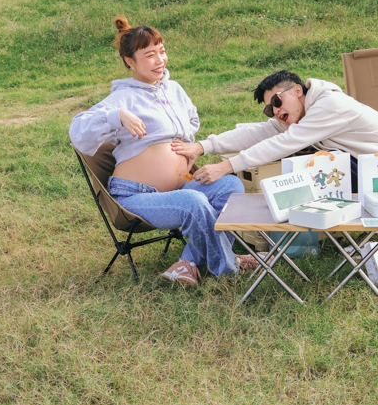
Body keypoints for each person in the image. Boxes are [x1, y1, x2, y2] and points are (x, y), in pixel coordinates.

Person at [69, 17, 255, 285]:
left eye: (162, 51)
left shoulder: (174, 89)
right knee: (194, 203)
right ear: (130, 61)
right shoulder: (122, 98)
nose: (160, 60)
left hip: (181, 186)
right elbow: (77, 130)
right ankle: (228, 268)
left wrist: (188, 146)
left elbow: (192, 119)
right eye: (150, 55)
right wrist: (117, 116)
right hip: (136, 196)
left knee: (231, 186)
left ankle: (187, 263)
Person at [173, 70, 378, 237]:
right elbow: (257, 132)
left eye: (278, 101)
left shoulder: (329, 105)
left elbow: (286, 142)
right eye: (270, 108)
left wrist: (226, 166)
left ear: (297, 90)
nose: (276, 111)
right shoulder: (298, 115)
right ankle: (357, 231)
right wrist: (203, 146)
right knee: (322, 164)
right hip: (365, 169)